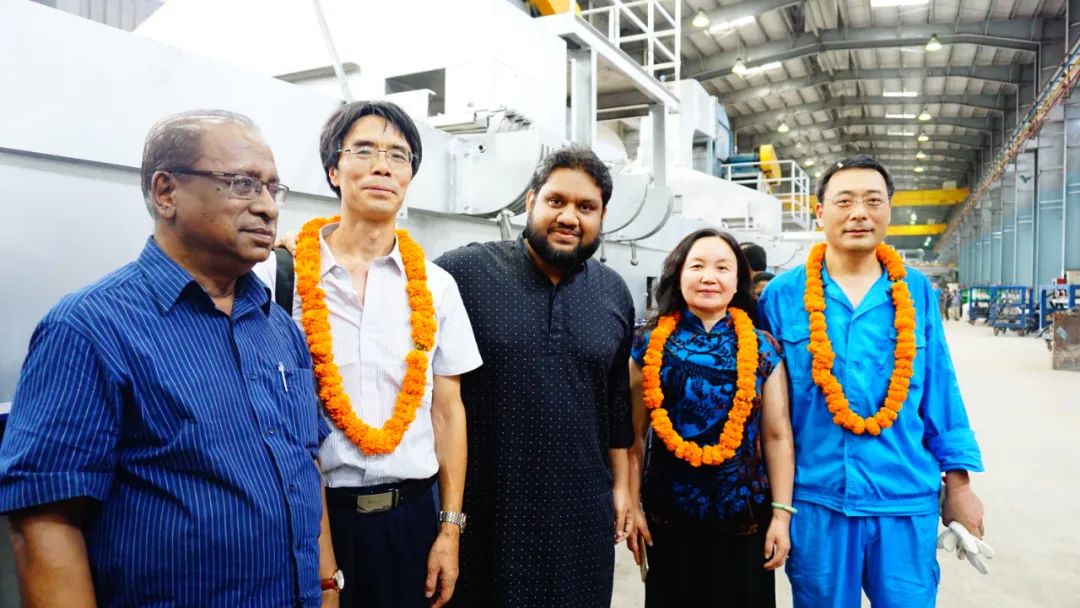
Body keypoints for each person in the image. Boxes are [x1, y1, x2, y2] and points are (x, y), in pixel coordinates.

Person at [0, 110, 338, 607]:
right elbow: (45, 523)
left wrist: (328, 588)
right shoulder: (90, 328)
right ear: (166, 192)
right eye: (243, 184)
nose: (268, 207)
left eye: (273, 189)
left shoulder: (278, 328)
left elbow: (304, 464)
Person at [256, 100, 482, 608]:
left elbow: (448, 412)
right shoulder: (277, 278)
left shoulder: (438, 287)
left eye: (398, 155)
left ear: (409, 177)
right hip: (310, 520)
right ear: (333, 171)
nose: (382, 165)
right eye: (363, 150)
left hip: (412, 520)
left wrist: (450, 529)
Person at [759, 154, 985, 608]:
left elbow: (940, 389)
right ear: (820, 212)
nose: (859, 213)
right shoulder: (782, 296)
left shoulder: (916, 292)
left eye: (872, 201)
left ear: (889, 211)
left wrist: (959, 486)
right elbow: (763, 408)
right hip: (817, 500)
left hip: (903, 497)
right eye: (844, 201)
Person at [434, 146, 634, 608]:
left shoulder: (613, 292)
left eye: (586, 207)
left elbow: (616, 405)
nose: (569, 217)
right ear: (530, 202)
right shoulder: (462, 274)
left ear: (602, 216)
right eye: (556, 201)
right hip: (487, 512)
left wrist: (622, 489)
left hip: (581, 518)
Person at [627, 229, 795, 606]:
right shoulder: (647, 343)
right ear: (678, 274)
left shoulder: (763, 347)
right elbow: (633, 434)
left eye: (722, 268)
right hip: (667, 517)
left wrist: (781, 516)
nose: (709, 277)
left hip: (745, 517)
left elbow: (777, 435)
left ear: (737, 281)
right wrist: (633, 506)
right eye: (697, 266)